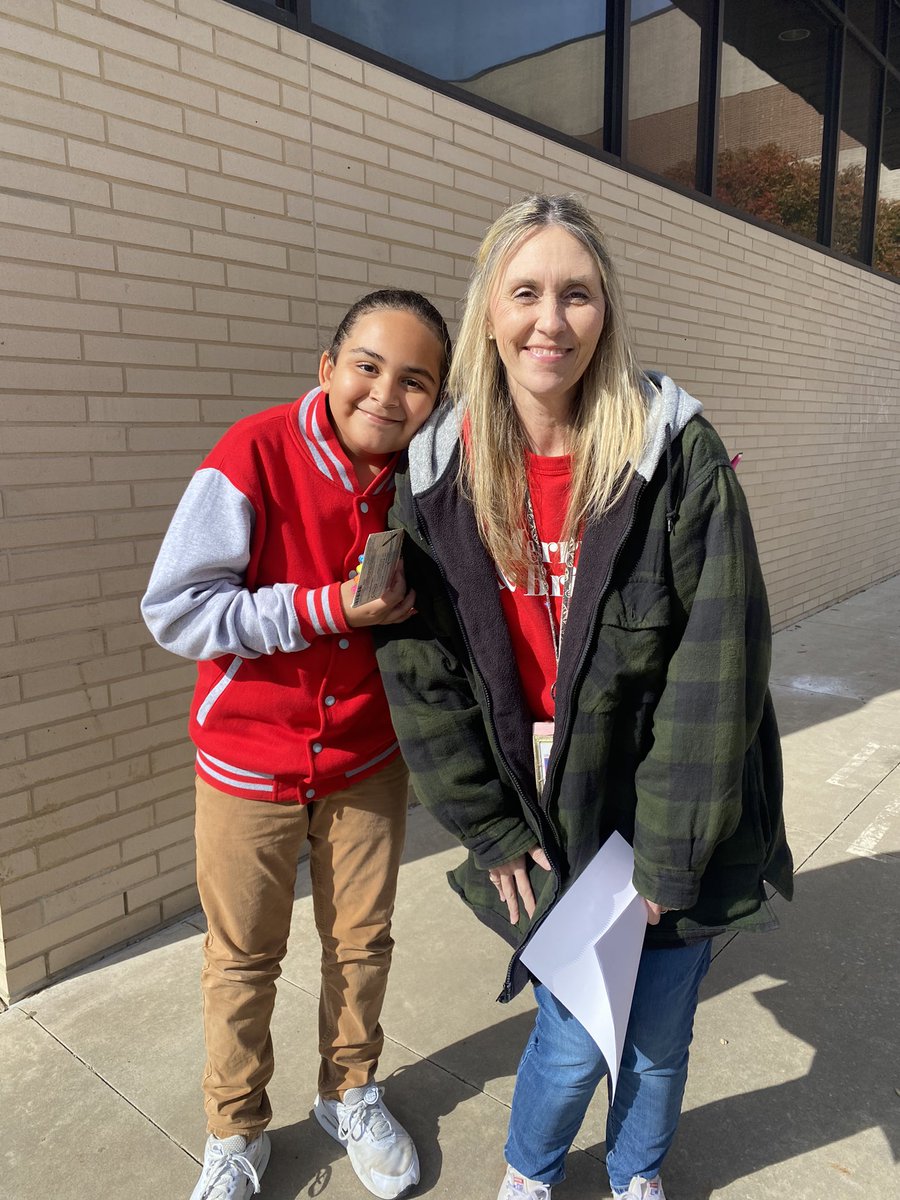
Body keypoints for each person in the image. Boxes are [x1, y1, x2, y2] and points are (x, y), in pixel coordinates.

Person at [374, 195, 793, 1200]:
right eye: (525, 292)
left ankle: (638, 1173)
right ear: (488, 312)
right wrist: (484, 822)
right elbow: (420, 665)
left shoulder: (674, 453)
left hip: (669, 805)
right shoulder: (439, 472)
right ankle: (531, 1174)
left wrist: (669, 857)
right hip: (542, 812)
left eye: (576, 294)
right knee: (569, 1035)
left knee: (657, 1034)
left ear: (607, 312)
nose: (549, 320)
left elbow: (719, 664)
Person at [142, 288, 451, 1200]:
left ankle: (349, 1091)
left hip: (368, 762)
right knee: (241, 960)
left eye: (416, 381)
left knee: (363, 945)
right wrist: (326, 608)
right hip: (247, 765)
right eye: (368, 366)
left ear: (439, 398)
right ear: (329, 369)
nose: (386, 395)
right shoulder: (253, 453)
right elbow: (176, 609)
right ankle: (235, 1131)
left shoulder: (428, 476)